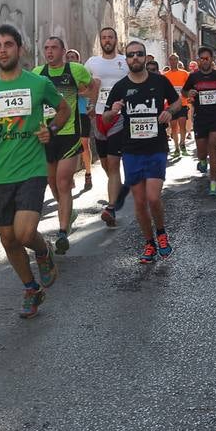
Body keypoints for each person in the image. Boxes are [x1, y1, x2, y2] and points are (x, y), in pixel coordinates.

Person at [0, 25, 67, 318]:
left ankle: (43, 250)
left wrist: (52, 129)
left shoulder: (38, 84)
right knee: (7, 239)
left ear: (19, 49)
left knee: (24, 234)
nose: (2, 50)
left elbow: (62, 110)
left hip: (32, 169)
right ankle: (31, 288)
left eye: (8, 44)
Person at [103, 41, 180, 264]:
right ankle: (149, 243)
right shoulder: (120, 87)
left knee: (153, 198)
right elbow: (106, 117)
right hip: (131, 150)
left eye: (139, 54)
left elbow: (177, 103)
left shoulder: (159, 81)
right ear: (126, 60)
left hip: (156, 147)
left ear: (145, 58)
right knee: (139, 202)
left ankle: (162, 233)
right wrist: (113, 112)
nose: (134, 58)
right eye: (130, 55)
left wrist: (168, 112)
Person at [37, 36, 94, 254]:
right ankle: (68, 213)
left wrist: (91, 103)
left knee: (62, 181)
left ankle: (62, 233)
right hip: (46, 135)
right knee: (52, 181)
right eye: (46, 48)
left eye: (54, 48)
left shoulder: (76, 69)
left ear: (63, 51)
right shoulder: (38, 73)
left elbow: (92, 85)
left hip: (69, 133)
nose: (49, 51)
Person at [84, 27, 129, 226]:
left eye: (110, 37)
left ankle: (111, 208)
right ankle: (116, 192)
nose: (107, 40)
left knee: (113, 163)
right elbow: (83, 86)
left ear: (116, 40)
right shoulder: (92, 63)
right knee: (104, 164)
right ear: (100, 41)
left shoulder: (125, 62)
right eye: (104, 37)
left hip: (118, 116)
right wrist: (89, 100)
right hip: (98, 117)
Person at [183, 46, 216, 197]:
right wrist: (188, 93)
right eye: (202, 58)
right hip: (200, 118)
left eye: (207, 58)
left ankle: (213, 183)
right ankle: (203, 161)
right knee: (202, 151)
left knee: (214, 146)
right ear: (198, 60)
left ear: (212, 60)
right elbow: (184, 92)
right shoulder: (193, 77)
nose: (205, 61)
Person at [65, 49, 95, 192]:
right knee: (69, 146)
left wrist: (78, 92)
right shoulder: (62, 75)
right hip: (67, 114)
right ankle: (70, 176)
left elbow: (92, 90)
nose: (71, 59)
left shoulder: (82, 74)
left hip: (82, 112)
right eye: (68, 57)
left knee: (84, 144)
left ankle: (88, 173)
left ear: (78, 60)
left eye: (73, 57)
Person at [163, 54, 191, 159]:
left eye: (175, 59)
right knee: (174, 127)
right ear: (168, 61)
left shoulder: (184, 73)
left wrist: (188, 96)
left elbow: (188, 86)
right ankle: (176, 148)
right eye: (171, 60)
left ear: (178, 61)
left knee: (182, 125)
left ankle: (182, 144)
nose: (173, 61)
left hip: (182, 103)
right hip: (171, 105)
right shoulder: (165, 75)